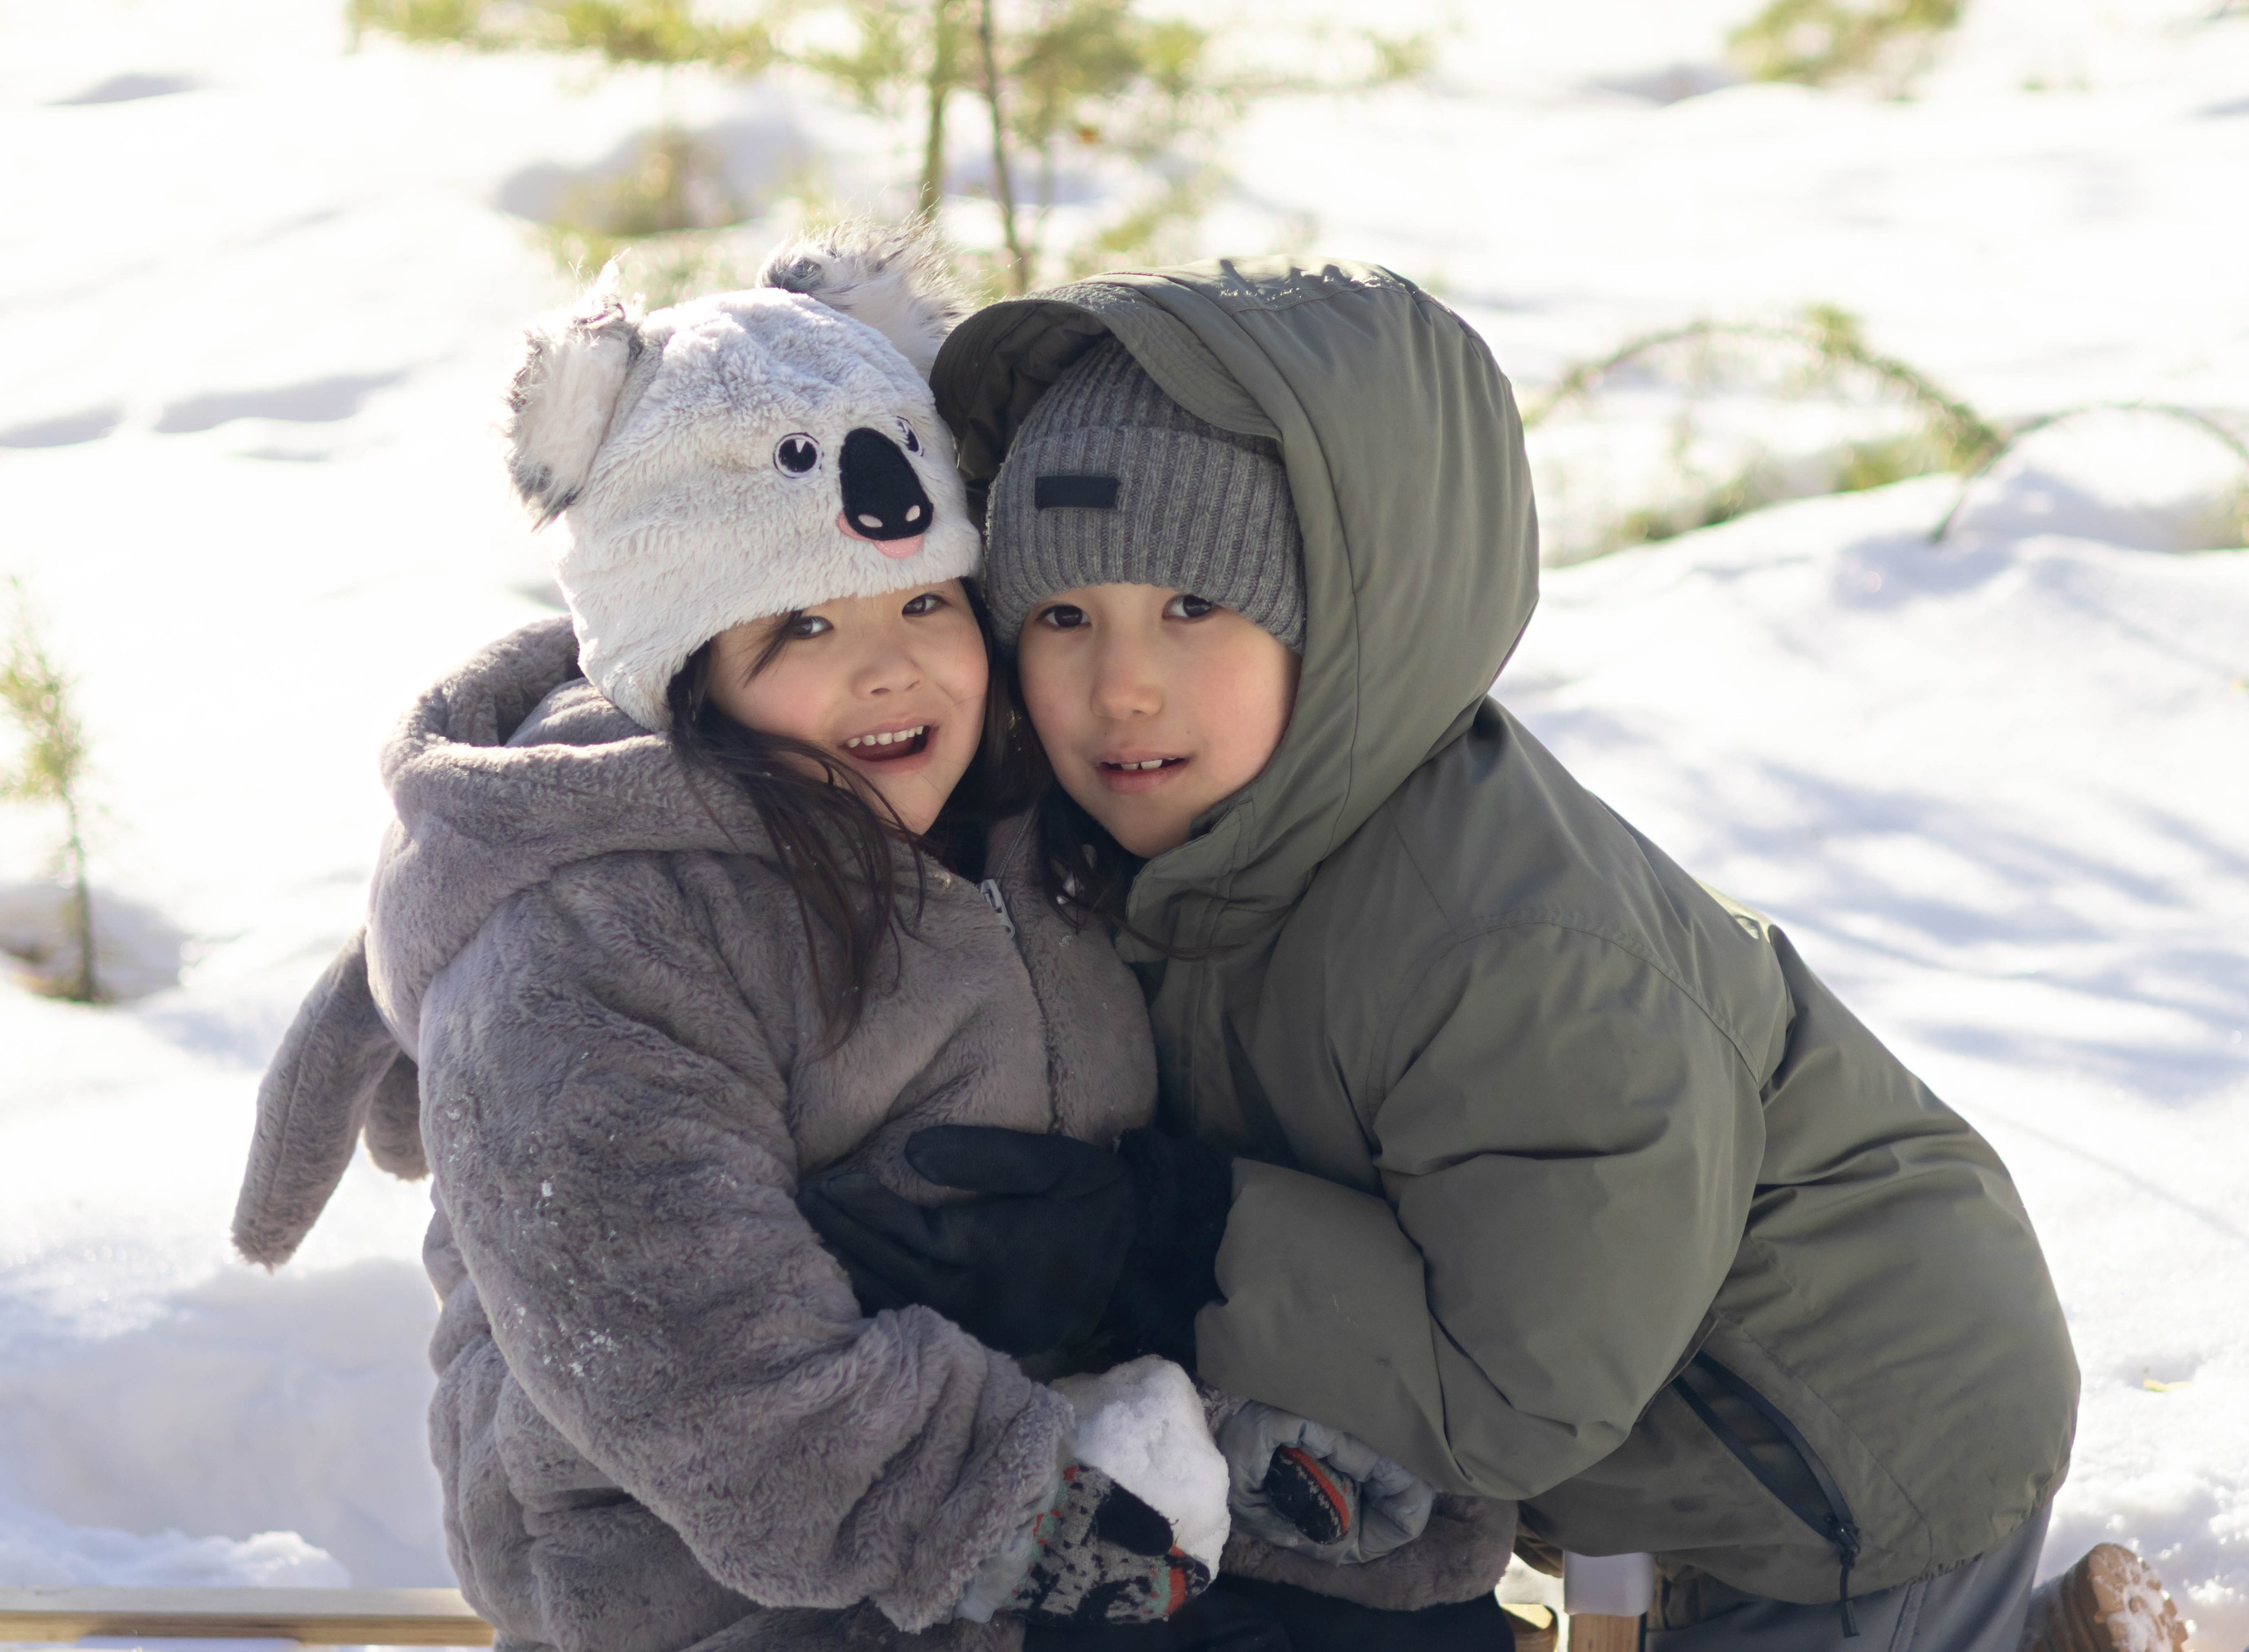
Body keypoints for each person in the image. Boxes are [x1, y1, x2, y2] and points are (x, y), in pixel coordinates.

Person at [228, 230, 1514, 1652]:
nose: (889, 664)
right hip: (722, 1569)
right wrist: (1011, 1510)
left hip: (1027, 1466)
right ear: (681, 668)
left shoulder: (1013, 820)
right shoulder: (593, 934)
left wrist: (1231, 1423)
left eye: (923, 602)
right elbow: (685, 1349)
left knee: (1428, 1625)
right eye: (801, 625)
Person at [799, 257, 2088, 1652]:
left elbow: (1521, 1388)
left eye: (1194, 607)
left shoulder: (1515, 951)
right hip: (1641, 1447)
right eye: (1063, 616)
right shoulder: (1184, 845)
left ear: (1344, 624)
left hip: (1847, 1457)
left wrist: (1162, 1239)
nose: (1121, 685)